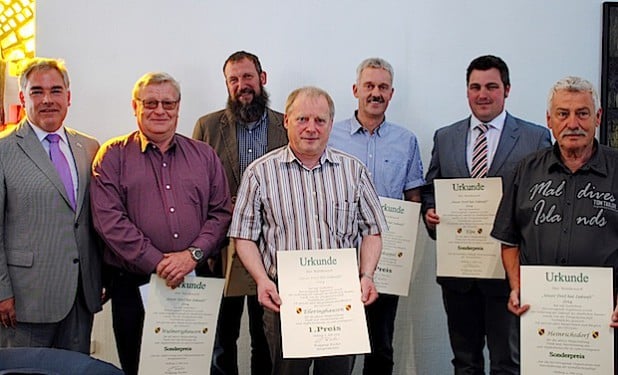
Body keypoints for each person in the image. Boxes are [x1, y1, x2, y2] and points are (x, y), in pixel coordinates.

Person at [229, 86, 387, 375]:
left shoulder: (354, 171)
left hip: (341, 302)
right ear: (286, 121)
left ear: (330, 124)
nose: (311, 128)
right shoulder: (259, 173)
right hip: (284, 302)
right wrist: (262, 280)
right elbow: (244, 236)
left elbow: (372, 230)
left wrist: (367, 276)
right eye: (302, 119)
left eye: (320, 120)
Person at [90, 72, 232, 375]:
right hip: (134, 285)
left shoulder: (204, 155)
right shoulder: (112, 156)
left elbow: (221, 213)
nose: (160, 110)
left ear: (179, 107)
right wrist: (159, 262)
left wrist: (190, 256)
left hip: (195, 281)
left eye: (168, 103)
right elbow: (109, 221)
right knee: (140, 367)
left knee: (198, 368)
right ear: (135, 106)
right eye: (150, 102)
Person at [421, 55, 551, 374]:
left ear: (506, 90)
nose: (483, 94)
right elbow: (429, 189)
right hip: (459, 272)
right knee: (465, 361)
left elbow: (544, 199)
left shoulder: (535, 138)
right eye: (475, 87)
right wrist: (430, 213)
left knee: (507, 362)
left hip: (509, 274)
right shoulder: (445, 136)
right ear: (466, 91)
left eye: (491, 86)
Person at [490, 76, 618, 370]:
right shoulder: (527, 169)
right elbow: (509, 240)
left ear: (597, 117)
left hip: (604, 322)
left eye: (582, 113)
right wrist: (516, 285)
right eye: (563, 114)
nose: (573, 123)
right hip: (540, 321)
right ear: (550, 120)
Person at [193, 51, 287, 375]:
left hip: (272, 253)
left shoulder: (286, 124)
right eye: (233, 80)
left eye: (247, 77)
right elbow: (195, 188)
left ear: (262, 78)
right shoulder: (206, 126)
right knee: (222, 339)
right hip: (219, 253)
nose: (241, 85)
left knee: (267, 339)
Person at [0, 58, 103, 353]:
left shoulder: (90, 147)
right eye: (37, 91)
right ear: (22, 97)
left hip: (80, 298)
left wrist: (99, 277)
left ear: (68, 97)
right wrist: (2, 291)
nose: (47, 99)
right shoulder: (3, 150)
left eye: (56, 91)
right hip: (23, 301)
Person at [328, 57, 424, 374]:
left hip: (386, 259)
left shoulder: (406, 141)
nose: (375, 93)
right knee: (338, 345)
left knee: (380, 344)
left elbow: (413, 198)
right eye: (369, 86)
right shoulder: (331, 136)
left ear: (391, 93)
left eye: (382, 87)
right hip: (338, 255)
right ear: (356, 89)